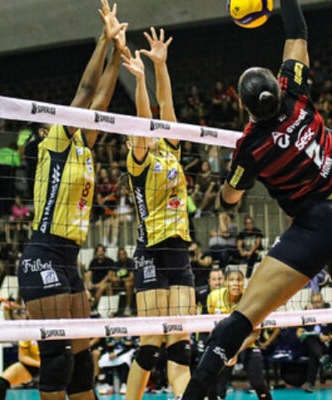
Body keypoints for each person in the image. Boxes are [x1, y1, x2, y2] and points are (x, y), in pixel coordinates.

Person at [182, 1, 332, 399]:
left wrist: (234, 178)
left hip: (320, 226)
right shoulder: (296, 96)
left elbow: (229, 199)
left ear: (242, 106)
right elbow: (297, 34)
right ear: (278, 86)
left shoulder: (251, 147)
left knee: (240, 319)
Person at [16, 3, 126, 399]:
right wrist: (103, 40)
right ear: (43, 132)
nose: (62, 116)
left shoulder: (82, 145)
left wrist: (119, 52)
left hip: (68, 258)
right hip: (43, 255)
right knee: (57, 358)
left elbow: (101, 103)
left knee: (82, 360)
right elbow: (85, 93)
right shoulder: (55, 143)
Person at [120, 26, 197, 400]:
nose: (148, 131)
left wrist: (160, 66)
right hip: (150, 250)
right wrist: (139, 81)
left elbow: (165, 108)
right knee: (150, 345)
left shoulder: (169, 147)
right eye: (139, 132)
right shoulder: (138, 160)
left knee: (181, 344)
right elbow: (144, 117)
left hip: (178, 248)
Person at [205, 269, 272, 400]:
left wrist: (234, 352)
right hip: (223, 342)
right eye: (232, 280)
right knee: (211, 383)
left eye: (239, 280)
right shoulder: (213, 297)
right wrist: (223, 347)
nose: (236, 283)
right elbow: (210, 325)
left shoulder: (250, 299)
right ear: (225, 282)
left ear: (243, 283)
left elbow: (255, 332)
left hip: (247, 343)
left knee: (259, 384)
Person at [298, 293, 332, 393]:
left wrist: (328, 337)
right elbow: (299, 333)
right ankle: (323, 359)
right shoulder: (308, 316)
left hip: (326, 345)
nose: (316, 305)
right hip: (312, 346)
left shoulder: (329, 314)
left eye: (318, 302)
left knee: (313, 351)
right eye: (314, 303)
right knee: (311, 339)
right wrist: (306, 334)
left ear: (323, 302)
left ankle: (310, 383)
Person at [0, 311, 42, 400]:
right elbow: (22, 357)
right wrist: (40, 364)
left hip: (53, 363)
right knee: (0, 384)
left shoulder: (54, 325)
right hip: (34, 364)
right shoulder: (27, 330)